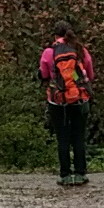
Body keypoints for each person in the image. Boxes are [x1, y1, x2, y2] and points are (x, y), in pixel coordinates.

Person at [38, 23, 95, 187]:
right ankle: (80, 174)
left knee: (62, 138)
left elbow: (43, 74)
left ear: (55, 36)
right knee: (78, 137)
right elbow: (89, 75)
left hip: (57, 101)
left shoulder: (49, 52)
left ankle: (65, 175)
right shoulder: (80, 50)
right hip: (79, 98)